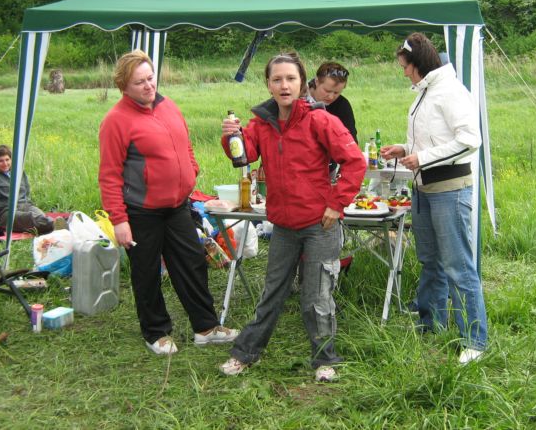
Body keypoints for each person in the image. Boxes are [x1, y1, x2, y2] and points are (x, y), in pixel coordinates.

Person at [218, 52, 366, 382]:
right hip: (283, 225)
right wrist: (231, 136)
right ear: (268, 84)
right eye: (277, 79)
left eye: (290, 79)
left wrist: (336, 204)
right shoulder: (261, 123)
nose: (284, 85)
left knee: (317, 297)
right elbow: (246, 154)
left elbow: (355, 161)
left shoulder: (320, 120)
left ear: (302, 83)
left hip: (320, 224)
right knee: (272, 292)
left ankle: (325, 359)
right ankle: (245, 354)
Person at [98, 50, 238, 355]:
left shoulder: (167, 105)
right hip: (141, 212)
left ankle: (206, 327)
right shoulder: (116, 121)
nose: (149, 86)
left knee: (192, 263)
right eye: (139, 82)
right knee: (147, 273)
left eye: (150, 78)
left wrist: (191, 169)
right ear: (124, 87)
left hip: (177, 207)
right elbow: (109, 175)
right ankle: (156, 332)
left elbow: (185, 143)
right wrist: (119, 220)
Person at [381, 33, 487, 364]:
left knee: (458, 265)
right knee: (430, 260)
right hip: (423, 187)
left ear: (419, 64)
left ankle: (475, 340)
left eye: (405, 66)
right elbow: (435, 138)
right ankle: (431, 323)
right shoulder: (426, 91)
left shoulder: (450, 91)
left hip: (449, 189)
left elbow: (469, 140)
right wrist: (405, 149)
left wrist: (423, 158)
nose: (403, 72)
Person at [0, 144, 60, 234]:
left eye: (7, 159)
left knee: (40, 215)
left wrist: (29, 205)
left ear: (11, 159)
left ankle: (52, 226)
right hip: (5, 211)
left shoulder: (19, 171)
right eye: (0, 161)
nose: (5, 163)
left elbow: (26, 191)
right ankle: (55, 225)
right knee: (30, 218)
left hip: (24, 205)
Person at [306, 62, 357, 143]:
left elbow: (351, 141)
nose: (331, 97)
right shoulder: (297, 97)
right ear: (317, 81)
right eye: (327, 91)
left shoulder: (342, 105)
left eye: (336, 93)